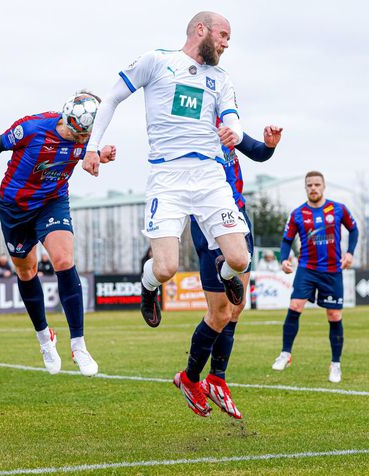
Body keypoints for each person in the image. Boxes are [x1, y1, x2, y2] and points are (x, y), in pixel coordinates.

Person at [82, 11, 251, 412]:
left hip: (210, 177)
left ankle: (227, 278)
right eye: (224, 35)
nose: (227, 43)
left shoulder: (220, 79)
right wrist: (92, 147)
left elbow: (233, 120)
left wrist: (234, 132)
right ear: (201, 30)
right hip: (168, 178)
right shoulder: (157, 61)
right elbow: (111, 99)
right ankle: (148, 284)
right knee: (166, 268)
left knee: (239, 259)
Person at [0, 91, 116, 377]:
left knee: (63, 260)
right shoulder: (32, 128)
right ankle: (45, 338)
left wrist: (101, 155)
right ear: (68, 121)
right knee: (26, 271)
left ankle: (79, 345)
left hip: (52, 202)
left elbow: (84, 152)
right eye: (80, 135)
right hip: (15, 206)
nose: (84, 140)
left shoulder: (84, 139)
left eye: (88, 137)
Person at [188, 125, 283, 419]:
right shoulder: (188, 135)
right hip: (209, 221)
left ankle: (216, 379)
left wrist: (269, 145)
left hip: (238, 217)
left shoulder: (228, 129)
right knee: (219, 313)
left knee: (237, 307)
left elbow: (257, 152)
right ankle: (190, 378)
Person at [271, 171, 358, 383]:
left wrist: (349, 253)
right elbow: (286, 240)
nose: (313, 188)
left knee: (334, 316)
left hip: (332, 271)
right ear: (305, 188)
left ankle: (335, 364)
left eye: (317, 184)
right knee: (295, 306)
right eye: (309, 185)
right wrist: (283, 259)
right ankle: (285, 353)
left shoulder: (338, 209)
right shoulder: (298, 213)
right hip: (307, 269)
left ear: (323, 186)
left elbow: (354, 230)